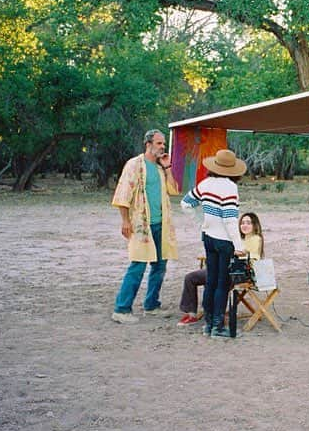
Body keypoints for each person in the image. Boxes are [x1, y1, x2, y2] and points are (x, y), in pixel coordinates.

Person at [110, 129, 180, 324]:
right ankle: (121, 309)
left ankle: (151, 305)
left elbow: (173, 190)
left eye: (163, 144)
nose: (163, 147)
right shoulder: (134, 165)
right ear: (148, 144)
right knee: (138, 265)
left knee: (160, 265)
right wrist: (125, 221)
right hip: (141, 224)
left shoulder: (159, 168)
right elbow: (123, 194)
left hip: (161, 224)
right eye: (159, 143)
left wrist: (167, 167)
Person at [180, 149, 247, 338]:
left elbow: (186, 204)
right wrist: (239, 245)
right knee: (222, 283)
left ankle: (208, 323)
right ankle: (218, 326)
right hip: (224, 240)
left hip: (208, 236)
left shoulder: (205, 183)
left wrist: (201, 221)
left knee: (211, 279)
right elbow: (230, 220)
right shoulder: (230, 188)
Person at [177, 212, 265, 326]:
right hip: (222, 269)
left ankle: (215, 314)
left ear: (255, 225)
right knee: (191, 277)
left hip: (240, 274)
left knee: (216, 281)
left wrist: (230, 251)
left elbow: (247, 254)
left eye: (248, 223)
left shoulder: (255, 239)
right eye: (242, 223)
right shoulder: (237, 238)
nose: (245, 225)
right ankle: (191, 313)